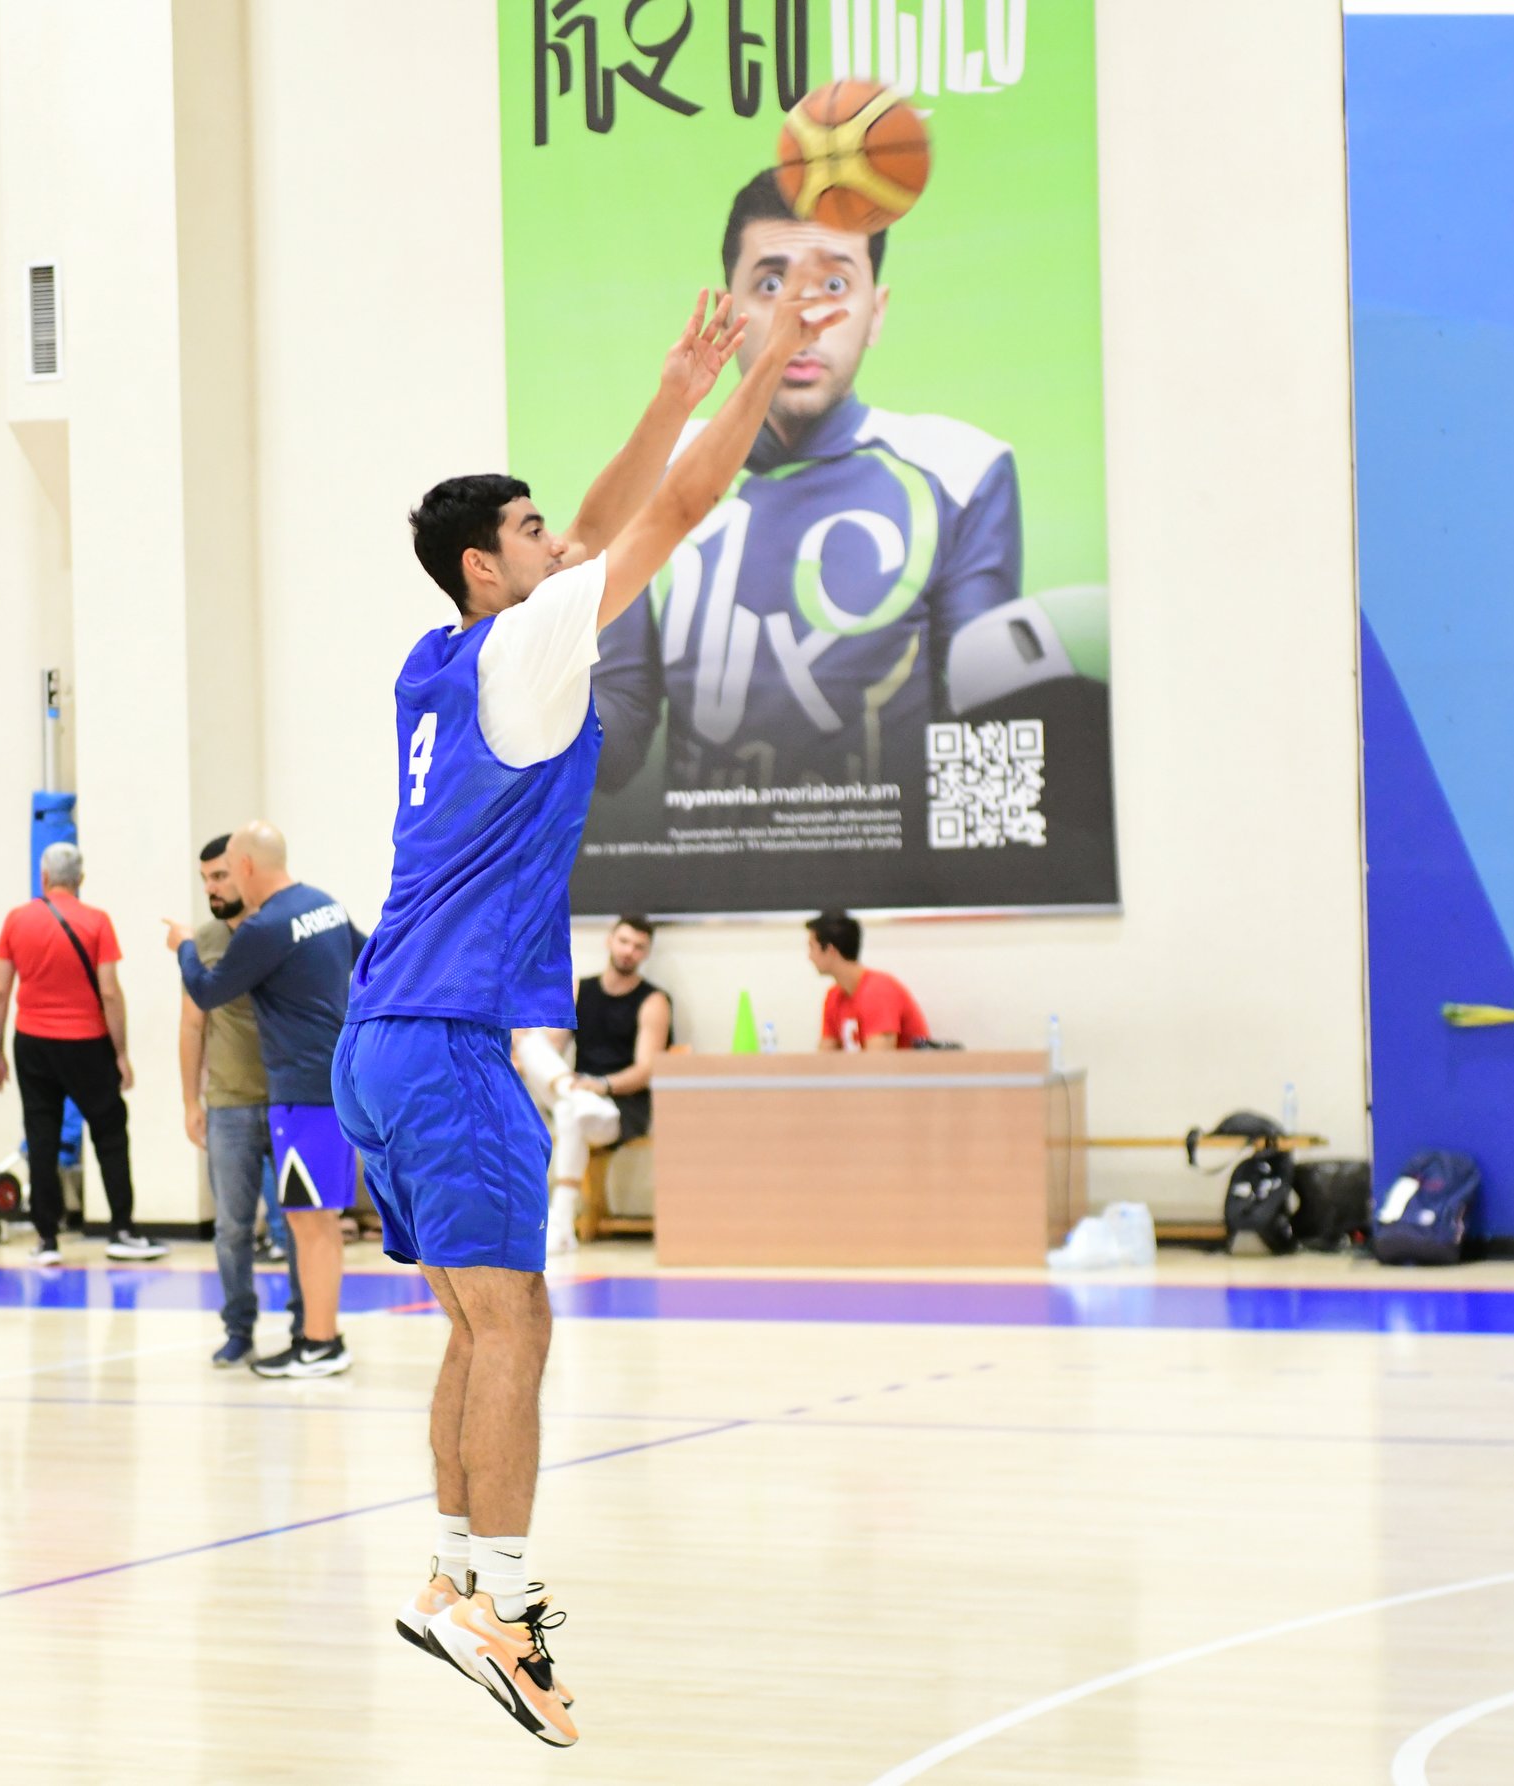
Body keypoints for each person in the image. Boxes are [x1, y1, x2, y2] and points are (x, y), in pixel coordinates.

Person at [334, 284, 837, 1747]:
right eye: (537, 533)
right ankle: (498, 1594)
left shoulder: (442, 658)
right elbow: (667, 513)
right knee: (520, 1323)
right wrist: (749, 378)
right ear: (493, 569)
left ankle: (446, 1569)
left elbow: (610, 519)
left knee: (469, 1326)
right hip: (442, 1043)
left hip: (382, 1040)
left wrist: (673, 373)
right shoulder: (529, 642)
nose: (565, 543)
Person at [592, 171, 1023, 793]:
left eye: (833, 284)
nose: (804, 315)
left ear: (875, 313)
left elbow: (984, 726)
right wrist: (530, 710)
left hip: (896, 880)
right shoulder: (654, 477)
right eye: (772, 284)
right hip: (709, 875)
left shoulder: (962, 473)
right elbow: (621, 724)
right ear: (729, 310)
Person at [164, 821, 358, 1379]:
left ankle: (320, 1343)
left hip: (301, 1091)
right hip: (332, 1086)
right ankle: (320, 1338)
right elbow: (371, 956)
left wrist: (182, 946)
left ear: (245, 867)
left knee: (310, 1224)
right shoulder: (324, 905)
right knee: (312, 1220)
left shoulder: (266, 926)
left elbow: (205, 991)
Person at [0, 841, 166, 1266]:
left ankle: (47, 1239)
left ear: (44, 878)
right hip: (86, 1042)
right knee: (109, 1131)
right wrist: (121, 1053)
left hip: (31, 1041)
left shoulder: (16, 920)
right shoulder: (96, 921)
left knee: (42, 1134)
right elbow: (109, 991)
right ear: (80, 880)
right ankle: (121, 1229)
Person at [178, 833, 305, 1368]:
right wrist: (191, 1101)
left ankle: (309, 1328)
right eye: (205, 878)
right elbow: (191, 1023)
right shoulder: (205, 941)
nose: (212, 887)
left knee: (302, 1220)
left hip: (289, 1100)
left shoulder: (279, 929)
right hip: (228, 1104)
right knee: (232, 1227)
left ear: (245, 871)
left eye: (221, 876)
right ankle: (238, 1328)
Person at [513, 915, 672, 1254]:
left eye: (639, 946)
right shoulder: (579, 989)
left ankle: (560, 1224)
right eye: (624, 941)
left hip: (618, 1107)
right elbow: (553, 1044)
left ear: (646, 953)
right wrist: (529, 1052)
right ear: (610, 941)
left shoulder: (653, 1001)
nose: (629, 951)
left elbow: (646, 1070)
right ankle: (560, 1227)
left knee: (573, 1112)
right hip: (575, 1094)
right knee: (527, 1040)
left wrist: (599, 1084)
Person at [808, 909, 929, 1050]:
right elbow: (824, 1061)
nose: (809, 956)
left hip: (904, 1072)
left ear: (830, 950)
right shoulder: (834, 996)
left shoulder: (878, 991)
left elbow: (879, 1063)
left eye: (811, 947)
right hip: (859, 1072)